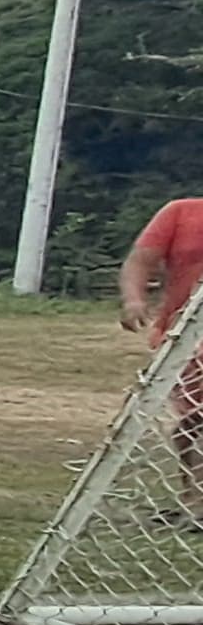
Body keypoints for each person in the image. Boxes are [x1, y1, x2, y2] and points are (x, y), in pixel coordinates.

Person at [116, 197, 203, 515]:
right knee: (193, 419)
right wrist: (134, 300)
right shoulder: (181, 213)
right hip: (186, 335)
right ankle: (195, 496)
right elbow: (139, 262)